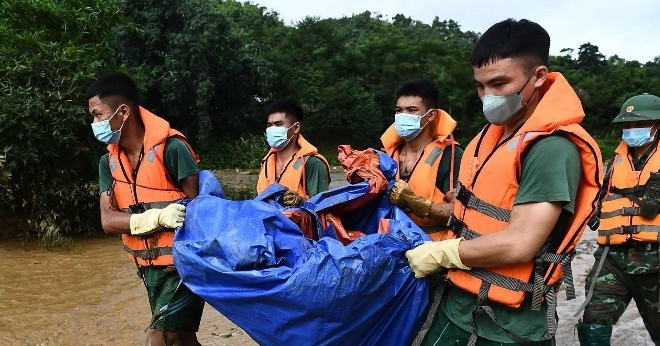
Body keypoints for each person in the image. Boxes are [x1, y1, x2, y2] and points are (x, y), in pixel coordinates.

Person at [405, 19, 603, 345]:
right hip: (458, 302)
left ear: (538, 76)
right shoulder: (493, 136)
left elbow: (521, 242)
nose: (488, 97)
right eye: (481, 86)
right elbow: (478, 208)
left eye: (499, 84)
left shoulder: (552, 148)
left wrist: (441, 253)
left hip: (509, 324)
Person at [86, 72, 205, 346]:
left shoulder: (173, 149)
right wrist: (157, 217)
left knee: (159, 336)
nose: (94, 123)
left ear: (123, 112)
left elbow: (200, 211)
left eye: (98, 114)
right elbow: (107, 220)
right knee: (181, 338)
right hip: (147, 266)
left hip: (183, 263)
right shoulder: (108, 164)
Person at [577, 93, 660, 345]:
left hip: (655, 259)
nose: (631, 130)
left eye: (639, 124)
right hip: (612, 257)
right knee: (594, 319)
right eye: (627, 125)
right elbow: (600, 201)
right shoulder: (615, 163)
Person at [384, 79, 463, 241]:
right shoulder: (387, 156)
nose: (403, 116)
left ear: (431, 115)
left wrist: (414, 202)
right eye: (399, 111)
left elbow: (461, 212)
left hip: (432, 249)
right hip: (392, 245)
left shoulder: (449, 154)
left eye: (411, 110)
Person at [256, 99, 330, 205]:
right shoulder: (266, 163)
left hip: (296, 221)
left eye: (278, 124)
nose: (272, 129)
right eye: (269, 125)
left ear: (296, 127)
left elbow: (323, 208)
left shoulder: (312, 163)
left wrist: (300, 202)